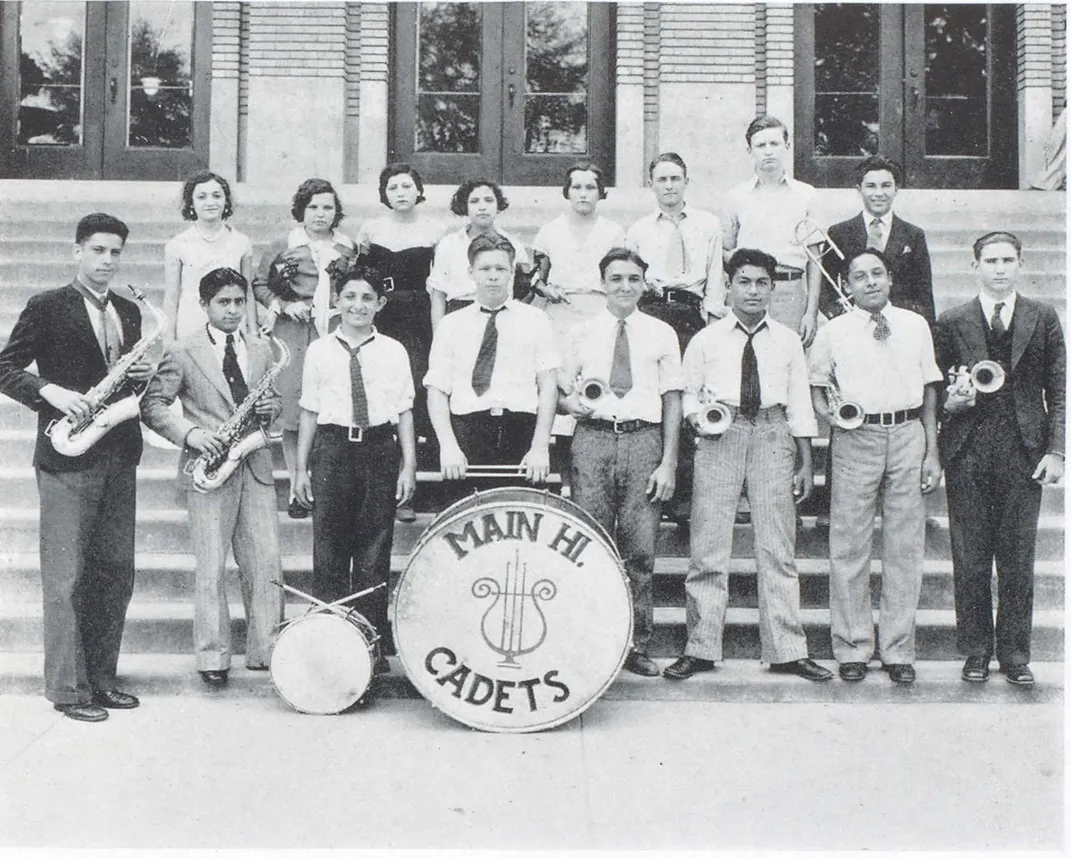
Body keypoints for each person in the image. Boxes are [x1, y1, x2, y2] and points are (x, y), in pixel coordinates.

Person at [0, 212, 152, 722]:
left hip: (118, 452)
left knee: (114, 571)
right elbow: (4, 368)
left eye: (115, 252)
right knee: (66, 578)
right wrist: (50, 392)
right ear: (77, 251)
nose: (107, 261)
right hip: (67, 456)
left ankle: (102, 679)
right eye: (97, 251)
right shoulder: (46, 306)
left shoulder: (129, 312)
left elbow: (128, 384)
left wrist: (142, 376)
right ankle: (67, 689)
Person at [662, 248, 831, 683]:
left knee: (777, 548)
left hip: (773, 434)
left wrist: (805, 458)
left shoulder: (788, 340)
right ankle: (700, 647)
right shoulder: (706, 339)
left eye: (761, 283)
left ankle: (788, 650)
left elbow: (798, 403)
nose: (752, 291)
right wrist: (703, 420)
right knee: (708, 546)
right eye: (744, 282)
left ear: (773, 289)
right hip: (722, 435)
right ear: (729, 287)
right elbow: (686, 394)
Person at [140, 267, 285, 687]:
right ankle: (213, 656)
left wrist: (269, 410)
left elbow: (272, 398)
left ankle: (266, 650)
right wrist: (191, 434)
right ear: (204, 305)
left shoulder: (259, 349)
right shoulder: (182, 350)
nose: (233, 310)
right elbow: (154, 404)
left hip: (253, 465)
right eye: (224, 302)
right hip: (209, 467)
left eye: (240, 301)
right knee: (210, 566)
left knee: (266, 561)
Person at [934, 232, 1065, 687]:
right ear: (975, 266)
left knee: (1016, 558)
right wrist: (954, 401)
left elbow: (1059, 387)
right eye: (990, 260)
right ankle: (975, 651)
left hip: (1023, 449)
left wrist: (1057, 450)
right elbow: (937, 389)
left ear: (1021, 264)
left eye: (1008, 260)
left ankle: (1014, 653)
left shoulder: (1043, 316)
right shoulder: (952, 320)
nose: (1000, 268)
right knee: (969, 558)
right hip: (968, 448)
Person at [808, 249, 942, 685]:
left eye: (877, 274)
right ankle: (852, 646)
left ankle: (898, 648)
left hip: (907, 435)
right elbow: (816, 386)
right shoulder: (834, 331)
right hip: (855, 436)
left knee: (904, 546)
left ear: (890, 280)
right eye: (859, 276)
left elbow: (928, 391)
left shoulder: (915, 325)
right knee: (849, 545)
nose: (870, 282)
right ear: (846, 284)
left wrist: (931, 452)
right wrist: (832, 418)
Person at [559, 247, 682, 677]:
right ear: (602, 284)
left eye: (633, 278)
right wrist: (570, 403)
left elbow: (672, 399)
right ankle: (590, 642)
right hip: (592, 441)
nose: (625, 286)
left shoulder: (662, 333)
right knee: (588, 547)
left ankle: (635, 643)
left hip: (643, 440)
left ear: (644, 284)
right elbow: (560, 390)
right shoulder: (581, 332)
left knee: (640, 550)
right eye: (616, 279)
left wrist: (668, 462)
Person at [292, 259, 417, 674]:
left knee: (374, 548)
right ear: (336, 302)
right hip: (332, 449)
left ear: (380, 303)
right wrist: (300, 469)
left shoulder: (394, 350)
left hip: (379, 450)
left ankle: (369, 642)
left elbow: (404, 412)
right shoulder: (319, 350)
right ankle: (331, 643)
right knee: (328, 546)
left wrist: (408, 467)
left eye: (367, 298)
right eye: (349, 297)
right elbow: (309, 410)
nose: (358, 305)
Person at [626, 152, 724, 525]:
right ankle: (652, 491)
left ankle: (684, 499)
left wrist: (711, 324)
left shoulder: (707, 225)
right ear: (651, 184)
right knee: (655, 397)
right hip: (652, 311)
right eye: (661, 179)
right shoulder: (638, 230)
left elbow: (715, 279)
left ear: (686, 182)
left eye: (675, 179)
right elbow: (629, 278)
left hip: (690, 314)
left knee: (686, 399)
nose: (669, 186)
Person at [254, 178, 358, 519]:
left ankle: (321, 484)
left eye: (327, 207)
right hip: (295, 332)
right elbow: (259, 284)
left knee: (328, 405)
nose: (320, 214)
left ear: (336, 212)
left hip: (333, 330)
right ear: (302, 209)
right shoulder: (285, 244)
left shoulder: (348, 248)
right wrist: (284, 304)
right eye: (313, 207)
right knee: (295, 409)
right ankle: (298, 483)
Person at [425, 234, 558, 489]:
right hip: (468, 432)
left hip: (520, 432)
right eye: (485, 269)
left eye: (501, 268)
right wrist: (449, 446)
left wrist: (540, 448)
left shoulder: (535, 320)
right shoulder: (451, 324)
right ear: (471, 273)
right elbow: (437, 389)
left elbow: (548, 385)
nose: (493, 275)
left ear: (511, 273)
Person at [356, 163, 446, 521]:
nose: (401, 193)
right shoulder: (370, 229)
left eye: (407, 186)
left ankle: (413, 491)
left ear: (418, 190)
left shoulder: (435, 231)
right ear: (384, 194)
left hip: (418, 321)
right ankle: (379, 491)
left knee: (417, 396)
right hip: (380, 318)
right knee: (379, 395)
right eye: (393, 188)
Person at [723, 115, 821, 347]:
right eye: (760, 145)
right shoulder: (735, 197)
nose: (768, 151)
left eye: (774, 144)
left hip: (791, 292)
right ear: (750, 150)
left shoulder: (806, 195)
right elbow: (725, 251)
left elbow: (815, 260)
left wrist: (811, 313)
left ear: (786, 146)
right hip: (750, 291)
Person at [826, 155, 935, 325]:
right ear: (858, 189)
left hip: (900, 322)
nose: (879, 193)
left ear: (896, 189)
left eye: (886, 186)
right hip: (853, 322)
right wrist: (839, 316)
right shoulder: (839, 233)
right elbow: (827, 286)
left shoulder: (913, 235)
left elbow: (924, 291)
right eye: (870, 186)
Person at [532, 161, 628, 349]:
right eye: (576, 187)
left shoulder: (614, 232)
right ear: (567, 191)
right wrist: (547, 290)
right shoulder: (550, 231)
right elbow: (537, 279)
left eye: (590, 188)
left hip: (600, 310)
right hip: (560, 312)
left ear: (601, 192)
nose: (583, 194)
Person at [163, 171, 255, 342]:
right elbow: (171, 297)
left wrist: (253, 333)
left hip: (231, 320)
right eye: (202, 197)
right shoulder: (178, 244)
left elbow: (248, 291)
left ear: (226, 201)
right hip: (192, 321)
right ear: (191, 203)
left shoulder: (242, 242)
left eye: (217, 195)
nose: (210, 202)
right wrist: (169, 340)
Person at [427, 178, 531, 330]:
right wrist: (438, 335)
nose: (482, 207)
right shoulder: (450, 244)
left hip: (500, 316)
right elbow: (438, 294)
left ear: (498, 205)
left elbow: (524, 291)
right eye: (474, 201)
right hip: (459, 315)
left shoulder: (513, 244)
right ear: (465, 206)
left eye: (489, 200)